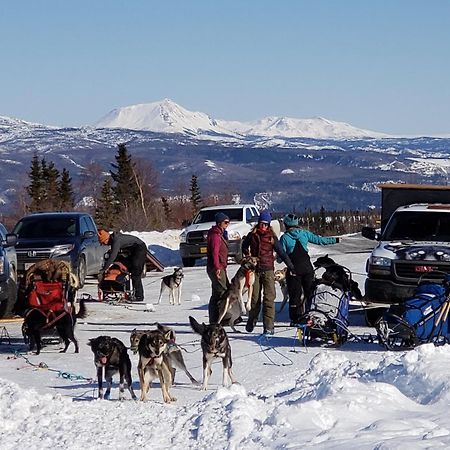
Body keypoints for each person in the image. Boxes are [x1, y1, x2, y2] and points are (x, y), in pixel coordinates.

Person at [279, 213, 339, 325]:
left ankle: (295, 319)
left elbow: (280, 257)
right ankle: (312, 315)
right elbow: (320, 241)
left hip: (294, 270)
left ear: (286, 225)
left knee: (294, 296)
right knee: (310, 293)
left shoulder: (284, 238)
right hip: (307, 268)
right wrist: (335, 240)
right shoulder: (304, 234)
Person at [242, 210, 296, 335]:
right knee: (255, 299)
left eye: (266, 224)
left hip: (268, 270)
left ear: (269, 224)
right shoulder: (252, 235)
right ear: (259, 223)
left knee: (269, 299)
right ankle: (252, 320)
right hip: (255, 270)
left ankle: (269, 326)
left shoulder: (272, 237)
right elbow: (244, 246)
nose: (263, 226)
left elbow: (282, 253)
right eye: (262, 223)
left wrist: (291, 267)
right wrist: (247, 255)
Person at [97, 229, 148, 302]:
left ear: (106, 239)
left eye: (103, 243)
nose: (105, 245)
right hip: (132, 251)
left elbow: (113, 256)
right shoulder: (114, 240)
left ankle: (139, 296)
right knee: (126, 269)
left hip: (140, 249)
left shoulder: (116, 241)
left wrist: (104, 269)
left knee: (135, 273)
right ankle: (127, 292)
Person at [206, 212, 230, 323]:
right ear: (219, 223)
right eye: (225, 222)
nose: (227, 224)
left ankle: (214, 320)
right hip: (216, 267)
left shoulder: (220, 233)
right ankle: (225, 317)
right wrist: (217, 268)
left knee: (216, 293)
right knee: (223, 292)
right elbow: (215, 252)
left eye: (228, 222)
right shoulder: (215, 235)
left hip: (219, 266)